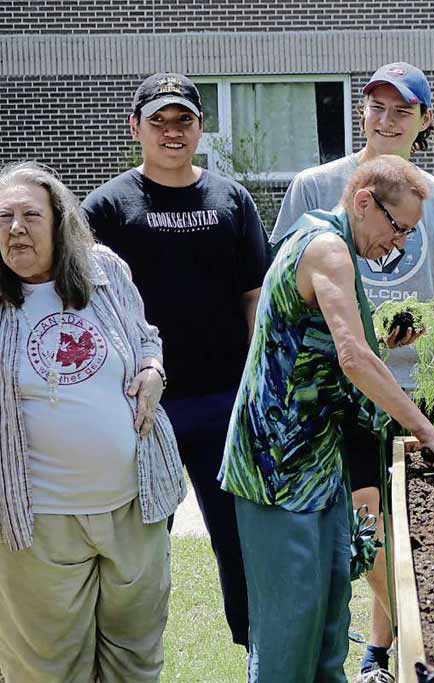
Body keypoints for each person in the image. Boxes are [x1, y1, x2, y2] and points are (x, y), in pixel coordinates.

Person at [271, 61, 434, 682]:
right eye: (376, 107)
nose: (386, 122)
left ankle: (385, 650)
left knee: (412, 527)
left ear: (425, 120)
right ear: (361, 112)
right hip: (347, 389)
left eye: (402, 110)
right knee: (365, 521)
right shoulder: (316, 186)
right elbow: (285, 287)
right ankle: (403, 645)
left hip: (424, 390)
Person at [220, 154, 434, 683]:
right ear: (362, 202)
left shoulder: (333, 247)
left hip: (318, 463)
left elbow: (331, 342)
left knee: (330, 624)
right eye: (399, 228)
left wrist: (384, 338)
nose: (399, 245)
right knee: (289, 634)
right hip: (276, 469)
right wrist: (428, 431)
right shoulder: (327, 248)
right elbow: (353, 358)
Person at [81, 72, 270, 648]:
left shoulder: (230, 200)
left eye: (183, 120)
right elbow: (85, 307)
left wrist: (259, 386)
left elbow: (254, 298)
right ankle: (131, 653)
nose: (171, 132)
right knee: (138, 546)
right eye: (158, 121)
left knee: (239, 540)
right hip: (139, 408)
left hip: (223, 402)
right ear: (134, 128)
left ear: (200, 128)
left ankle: (258, 647)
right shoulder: (106, 208)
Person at [0, 162, 187, 682]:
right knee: (47, 668)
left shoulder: (105, 270)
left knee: (136, 657)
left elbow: (146, 338)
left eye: (31, 215)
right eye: (4, 217)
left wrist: (153, 369)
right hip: (38, 524)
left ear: (61, 223)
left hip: (134, 505)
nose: (16, 228)